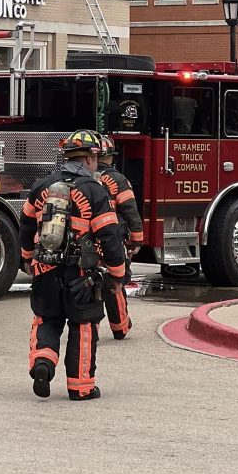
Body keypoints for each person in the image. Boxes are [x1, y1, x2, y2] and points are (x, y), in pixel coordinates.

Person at [21, 129, 127, 401]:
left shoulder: (42, 186)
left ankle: (43, 363)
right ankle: (81, 388)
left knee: (47, 319)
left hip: (45, 270)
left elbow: (26, 223)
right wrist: (117, 273)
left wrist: (27, 257)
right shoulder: (94, 190)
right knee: (83, 325)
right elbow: (109, 235)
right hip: (82, 274)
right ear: (91, 158)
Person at [97, 135, 143, 340]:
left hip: (86, 240)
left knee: (89, 285)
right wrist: (137, 239)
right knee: (115, 282)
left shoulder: (81, 178)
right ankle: (120, 326)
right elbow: (130, 210)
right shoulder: (117, 179)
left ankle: (90, 327)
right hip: (113, 239)